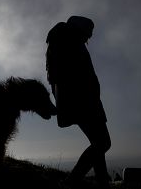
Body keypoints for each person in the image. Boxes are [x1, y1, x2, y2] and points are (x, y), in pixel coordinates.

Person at [46, 16, 111, 188]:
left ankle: (103, 182)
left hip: (79, 100)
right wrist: (90, 96)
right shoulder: (69, 41)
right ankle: (72, 181)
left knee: (97, 142)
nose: (88, 38)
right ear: (79, 29)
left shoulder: (61, 39)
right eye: (87, 33)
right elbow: (77, 75)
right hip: (84, 101)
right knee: (103, 143)